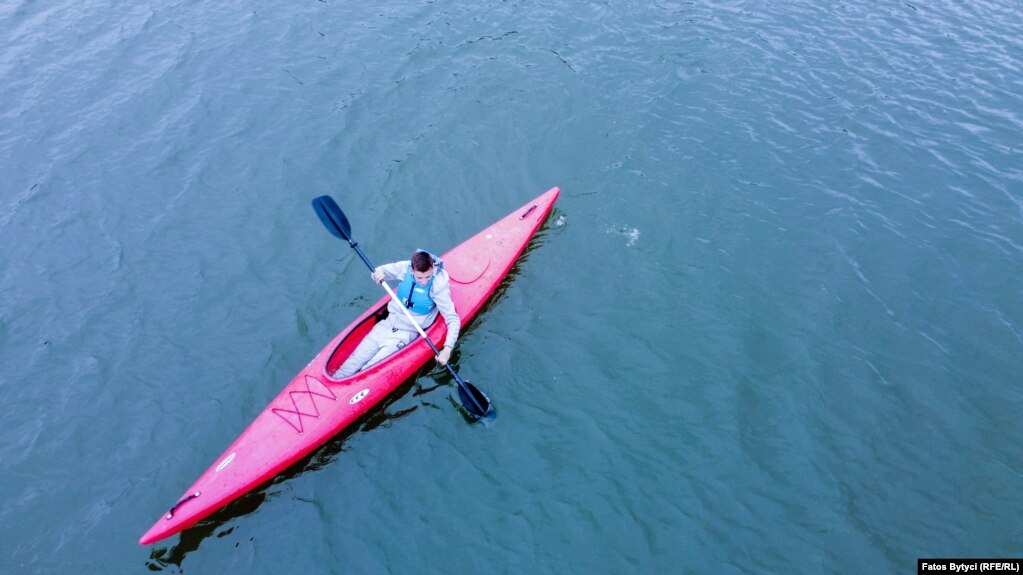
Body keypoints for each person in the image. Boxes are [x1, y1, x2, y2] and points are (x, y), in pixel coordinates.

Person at [334, 250, 460, 378]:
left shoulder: (437, 285)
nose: (424, 282)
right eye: (419, 277)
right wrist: (377, 275)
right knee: (349, 367)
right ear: (412, 271)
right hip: (386, 324)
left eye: (428, 276)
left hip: (406, 334)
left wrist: (447, 348)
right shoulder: (405, 268)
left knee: (367, 371)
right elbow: (380, 271)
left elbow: (453, 319)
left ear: (432, 268)